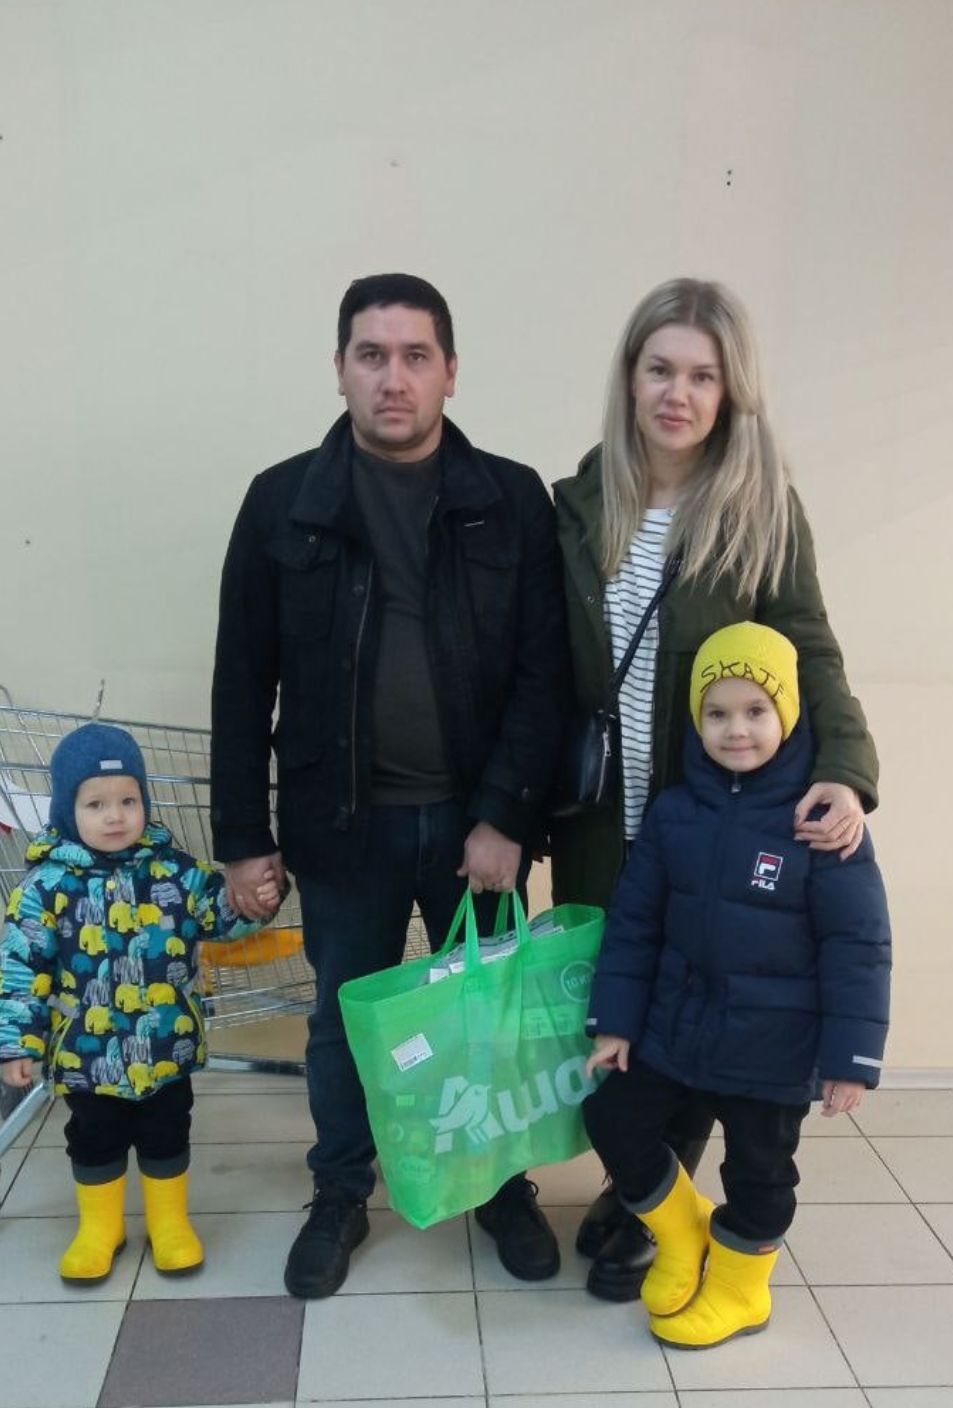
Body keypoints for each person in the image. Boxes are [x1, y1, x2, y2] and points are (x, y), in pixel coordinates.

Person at [210, 273, 569, 1298]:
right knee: (342, 1025)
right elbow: (242, 680)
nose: (393, 377)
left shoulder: (509, 499)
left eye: (416, 356)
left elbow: (544, 674)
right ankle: (339, 1191)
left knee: (486, 1019)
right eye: (371, 355)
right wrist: (243, 837)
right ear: (339, 369)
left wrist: (506, 816)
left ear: (451, 371)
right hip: (342, 826)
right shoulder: (283, 501)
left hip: (474, 827)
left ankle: (497, 1184)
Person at [550, 277, 881, 1300]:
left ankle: (651, 1210)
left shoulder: (760, 510)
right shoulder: (580, 502)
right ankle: (646, 1189)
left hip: (716, 818)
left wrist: (845, 771)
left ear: (732, 390)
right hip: (603, 816)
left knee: (703, 997)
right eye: (660, 369)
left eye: (702, 375)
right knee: (628, 1000)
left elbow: (809, 650)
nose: (678, 394)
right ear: (630, 376)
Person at [581, 622, 891, 1347]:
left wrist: (851, 1061)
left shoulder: (823, 822)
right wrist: (616, 1023)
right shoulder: (673, 812)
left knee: (759, 1175)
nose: (736, 730)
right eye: (717, 713)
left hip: (773, 1051)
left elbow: (859, 949)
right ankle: (683, 1232)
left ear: (789, 715)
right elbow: (634, 927)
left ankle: (741, 1289)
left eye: (756, 710)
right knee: (611, 1117)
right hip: (675, 1033)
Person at [0, 723, 281, 1282]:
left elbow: (221, 916)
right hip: (86, 1053)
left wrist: (255, 900)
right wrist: (16, 1043)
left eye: (128, 801)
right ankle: (99, 1228)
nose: (115, 816)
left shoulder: (175, 872)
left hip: (166, 1044)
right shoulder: (44, 889)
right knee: (93, 1137)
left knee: (167, 1130)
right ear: (66, 809)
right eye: (96, 804)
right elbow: (21, 970)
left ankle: (169, 1223)